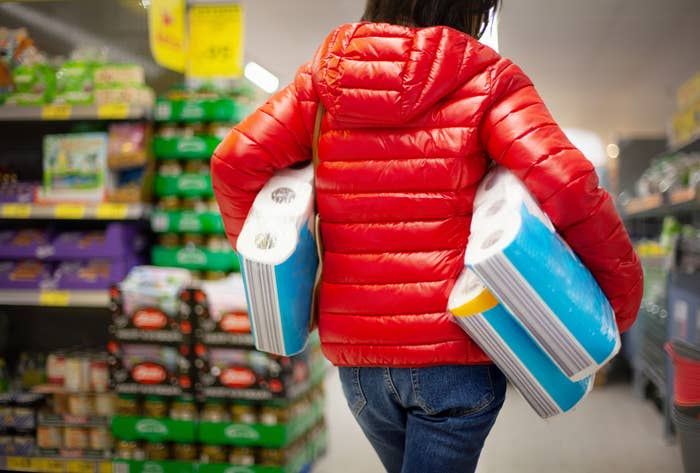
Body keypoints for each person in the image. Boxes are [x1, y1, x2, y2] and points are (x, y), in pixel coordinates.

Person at [211, 1, 644, 471]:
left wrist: (275, 271)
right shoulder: (487, 79)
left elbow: (235, 162)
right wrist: (616, 303)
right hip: (456, 352)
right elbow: (567, 182)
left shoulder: (321, 83)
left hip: (360, 363)